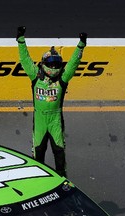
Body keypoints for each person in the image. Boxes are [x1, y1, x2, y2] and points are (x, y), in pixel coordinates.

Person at [16, 26, 87, 177]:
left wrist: (81, 45)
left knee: (59, 153)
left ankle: (63, 180)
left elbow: (74, 63)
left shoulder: (63, 78)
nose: (54, 66)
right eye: (51, 63)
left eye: (56, 63)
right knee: (38, 154)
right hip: (40, 120)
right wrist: (21, 40)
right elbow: (25, 59)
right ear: (43, 63)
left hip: (55, 120)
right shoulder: (35, 75)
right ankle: (38, 180)